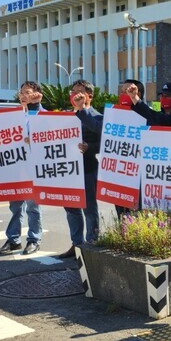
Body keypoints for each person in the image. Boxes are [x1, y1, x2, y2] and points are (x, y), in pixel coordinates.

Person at [0, 81, 45, 255]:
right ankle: (13, 240)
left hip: (33, 166)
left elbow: (45, 130)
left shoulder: (41, 113)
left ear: (37, 94)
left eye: (27, 92)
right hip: (16, 165)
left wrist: (36, 106)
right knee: (16, 205)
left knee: (33, 206)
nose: (23, 95)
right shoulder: (14, 114)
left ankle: (34, 239)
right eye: (21, 92)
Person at [59, 79, 103, 259]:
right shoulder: (64, 116)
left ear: (89, 96)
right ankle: (76, 244)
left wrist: (89, 147)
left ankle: (91, 244)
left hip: (87, 168)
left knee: (89, 208)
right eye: (73, 92)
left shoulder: (97, 116)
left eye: (79, 92)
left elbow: (103, 142)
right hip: (67, 170)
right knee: (71, 208)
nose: (74, 95)